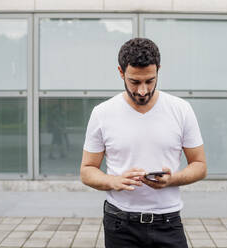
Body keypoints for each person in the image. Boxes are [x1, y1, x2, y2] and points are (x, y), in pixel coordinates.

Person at [80, 38, 207, 248]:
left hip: (168, 222)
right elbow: (87, 170)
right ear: (121, 72)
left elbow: (200, 166)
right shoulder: (102, 113)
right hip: (120, 224)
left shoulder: (181, 110)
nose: (142, 90)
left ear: (158, 70)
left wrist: (172, 179)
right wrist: (113, 181)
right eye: (135, 82)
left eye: (149, 80)